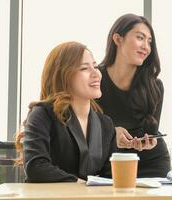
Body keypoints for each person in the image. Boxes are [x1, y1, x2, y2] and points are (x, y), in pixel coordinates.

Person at [15, 41, 117, 183]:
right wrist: (80, 184)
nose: (96, 74)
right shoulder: (42, 114)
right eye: (84, 68)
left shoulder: (105, 124)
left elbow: (110, 177)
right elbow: (36, 167)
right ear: (63, 75)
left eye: (95, 66)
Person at [97, 13, 170, 178]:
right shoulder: (95, 79)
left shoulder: (155, 86)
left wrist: (149, 142)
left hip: (151, 163)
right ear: (118, 39)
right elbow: (83, 128)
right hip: (106, 164)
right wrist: (111, 132)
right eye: (140, 38)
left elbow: (152, 132)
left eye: (149, 41)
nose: (146, 46)